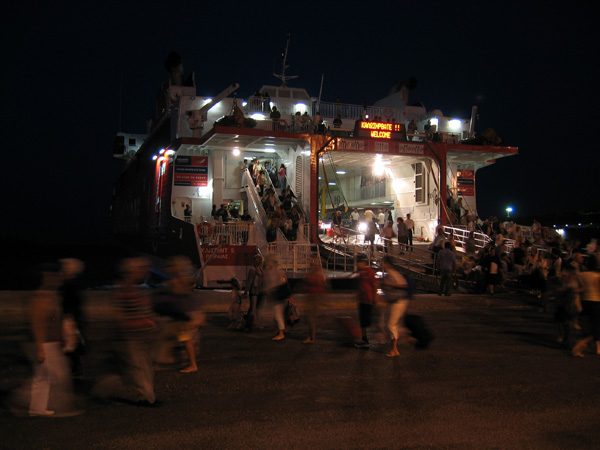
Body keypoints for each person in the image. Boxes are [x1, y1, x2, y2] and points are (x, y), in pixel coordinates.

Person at [92, 257, 160, 407]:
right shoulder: (125, 290)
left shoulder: (129, 288)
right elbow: (122, 318)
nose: (144, 272)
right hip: (130, 338)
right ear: (132, 272)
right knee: (138, 369)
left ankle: (101, 392)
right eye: (141, 269)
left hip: (132, 337)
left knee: (125, 369)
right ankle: (147, 398)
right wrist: (145, 322)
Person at [23, 263, 81, 417]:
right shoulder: (41, 298)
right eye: (55, 276)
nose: (58, 280)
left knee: (43, 377)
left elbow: (55, 319)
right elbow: (37, 323)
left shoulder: (52, 296)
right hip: (45, 344)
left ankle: (37, 408)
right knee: (58, 375)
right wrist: (40, 348)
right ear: (46, 277)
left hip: (50, 343)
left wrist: (64, 334)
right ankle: (56, 407)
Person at [59, 258, 86, 376]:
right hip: (72, 318)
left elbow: (66, 304)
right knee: (72, 344)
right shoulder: (74, 285)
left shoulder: (68, 285)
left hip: (68, 319)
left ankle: (74, 367)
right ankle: (75, 367)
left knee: (69, 343)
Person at [571, 258, 600, 357]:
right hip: (595, 302)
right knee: (596, 326)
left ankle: (596, 347)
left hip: (584, 301)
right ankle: (581, 345)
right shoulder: (597, 275)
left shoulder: (582, 275)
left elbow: (578, 287)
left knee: (588, 325)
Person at [380, 257, 409, 357]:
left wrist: (389, 284)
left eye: (383, 263)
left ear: (387, 264)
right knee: (387, 324)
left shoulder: (393, 273)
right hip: (392, 302)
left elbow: (404, 285)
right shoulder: (389, 274)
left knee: (391, 325)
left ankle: (394, 349)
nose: (382, 264)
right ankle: (395, 347)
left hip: (398, 302)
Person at [355, 255, 377, 348]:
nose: (357, 264)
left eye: (358, 262)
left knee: (368, 320)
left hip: (368, 299)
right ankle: (364, 339)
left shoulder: (369, 272)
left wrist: (375, 299)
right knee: (363, 320)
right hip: (362, 299)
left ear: (363, 263)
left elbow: (375, 285)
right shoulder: (361, 272)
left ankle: (372, 337)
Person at [302, 259, 326, 344]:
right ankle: (311, 335)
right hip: (312, 296)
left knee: (311, 318)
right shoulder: (316, 272)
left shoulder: (316, 273)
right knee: (310, 317)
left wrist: (307, 280)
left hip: (314, 297)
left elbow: (316, 283)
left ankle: (311, 337)